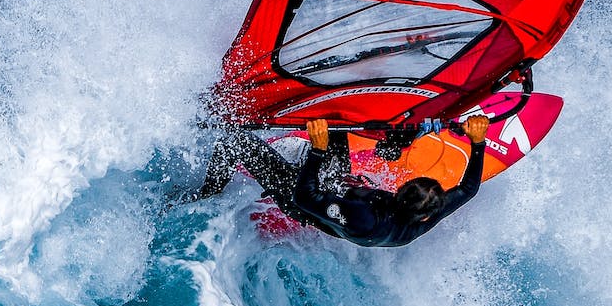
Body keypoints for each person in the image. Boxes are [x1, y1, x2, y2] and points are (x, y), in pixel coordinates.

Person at [190, 114, 492, 247]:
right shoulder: (427, 214)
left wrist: (318, 151)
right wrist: (478, 142)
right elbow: (468, 189)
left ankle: (207, 194)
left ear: (399, 193)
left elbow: (304, 197)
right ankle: (389, 139)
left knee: (235, 142)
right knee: (337, 118)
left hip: (303, 199)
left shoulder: (365, 219)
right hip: (341, 186)